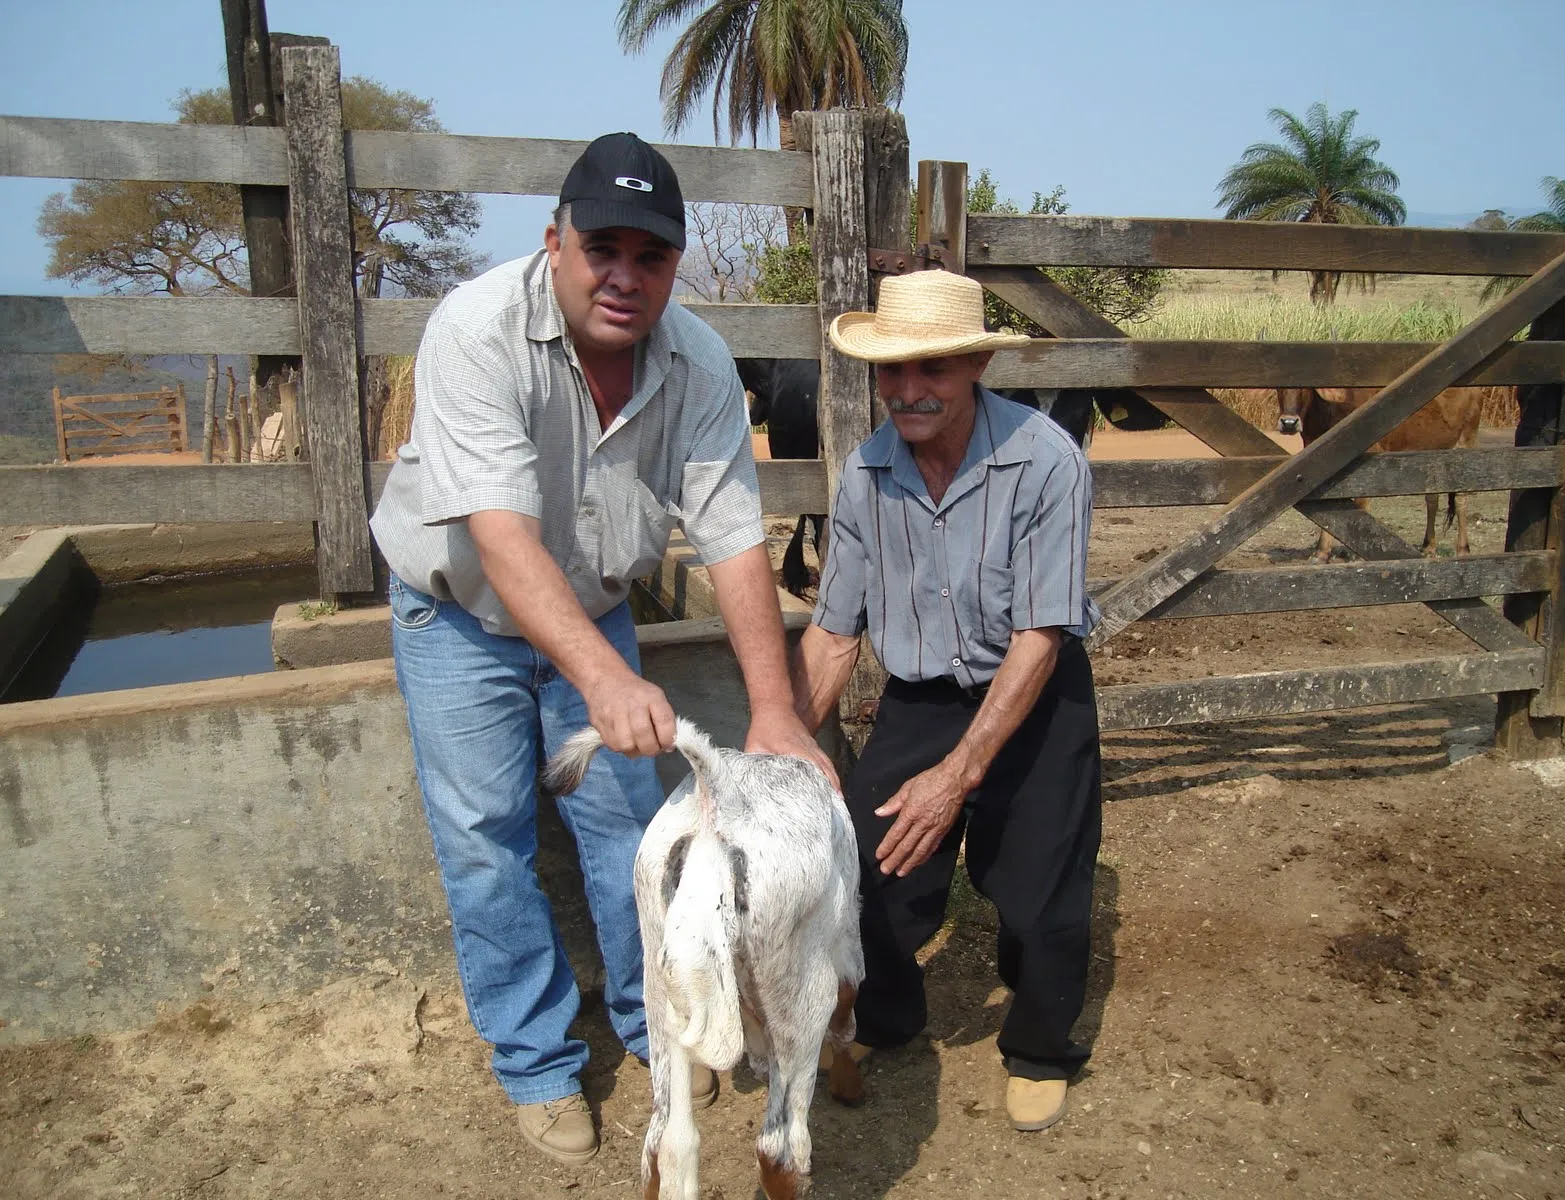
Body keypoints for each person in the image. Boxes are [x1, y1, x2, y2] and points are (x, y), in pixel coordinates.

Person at [369, 132, 832, 1165]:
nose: (625, 276)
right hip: (459, 613)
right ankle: (535, 1065)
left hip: (593, 603)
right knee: (486, 842)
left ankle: (655, 1025)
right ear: (556, 242)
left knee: (633, 834)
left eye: (651, 255)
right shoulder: (476, 331)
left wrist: (774, 709)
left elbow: (731, 540)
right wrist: (602, 675)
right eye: (603, 248)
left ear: (672, 265)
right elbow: (497, 530)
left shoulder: (698, 363)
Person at [789, 269, 1103, 1133]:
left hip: (1034, 689)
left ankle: (1040, 1047)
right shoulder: (866, 474)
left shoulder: (1045, 461)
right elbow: (832, 631)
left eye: (931, 369)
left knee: (1042, 888)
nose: (907, 391)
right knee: (873, 863)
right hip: (923, 694)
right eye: (891, 371)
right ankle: (889, 1015)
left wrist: (959, 775)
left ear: (977, 367)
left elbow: (1041, 637)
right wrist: (776, 738)